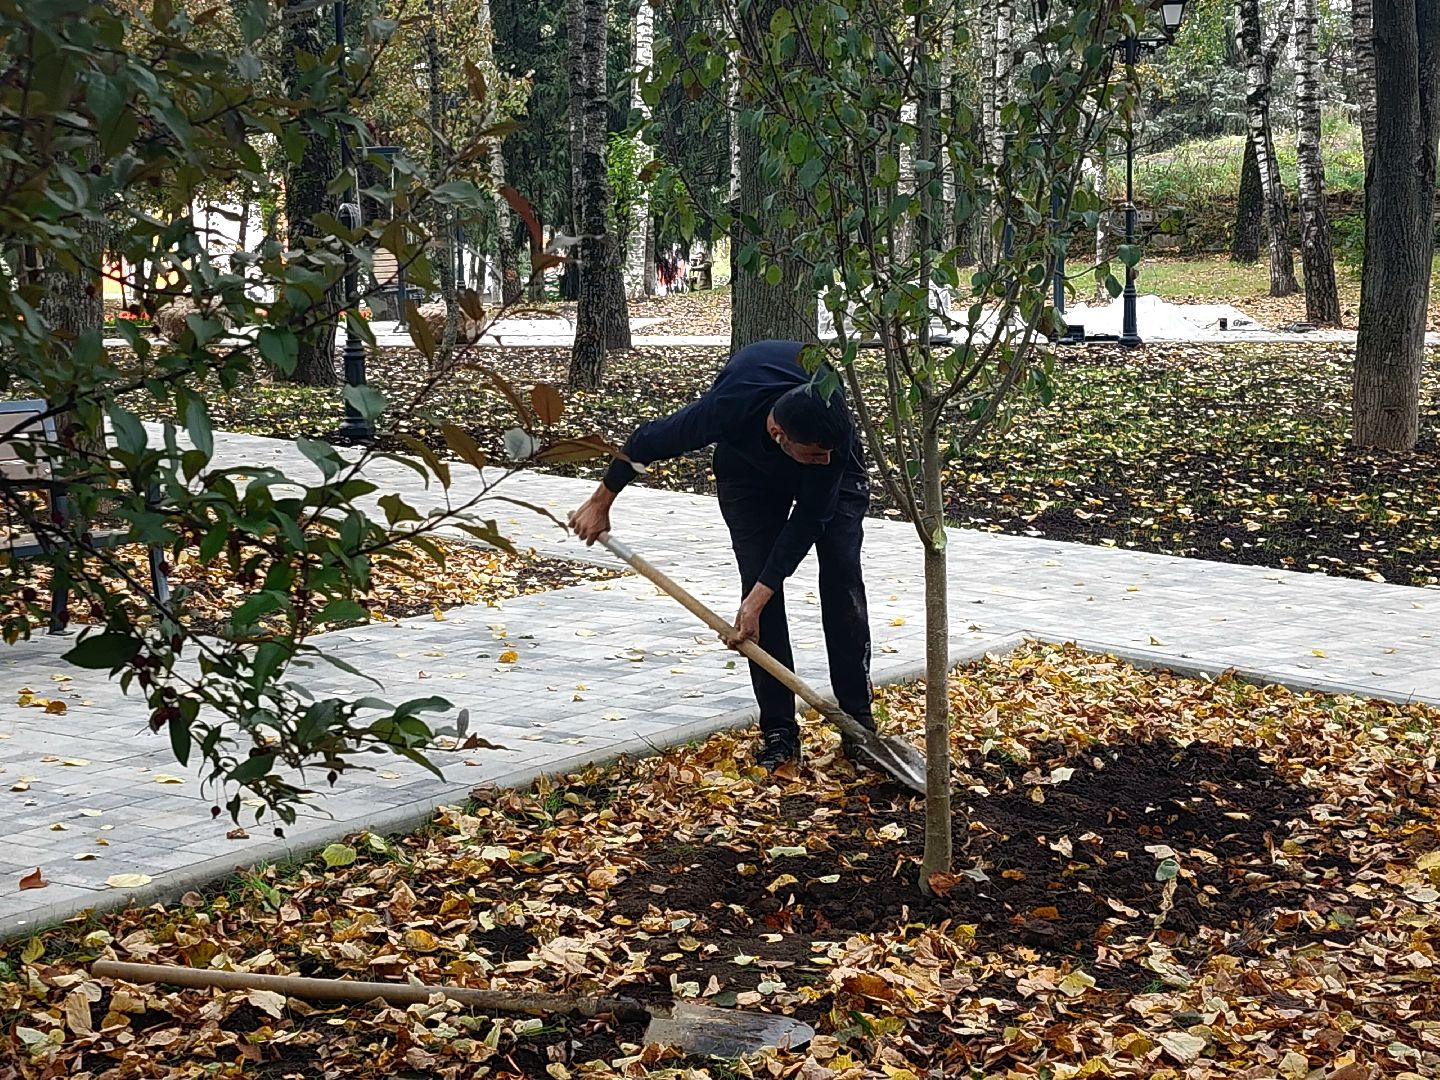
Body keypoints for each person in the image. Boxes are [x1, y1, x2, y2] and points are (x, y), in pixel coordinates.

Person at [569, 339, 875, 771]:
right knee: (758, 589)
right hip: (746, 472)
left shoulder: (830, 448)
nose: (823, 461)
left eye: (827, 453)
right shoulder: (727, 409)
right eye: (814, 455)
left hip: (825, 467)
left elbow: (810, 520)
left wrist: (759, 597)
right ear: (779, 435)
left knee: (842, 576)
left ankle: (859, 725)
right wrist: (601, 501)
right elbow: (645, 441)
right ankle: (779, 732)